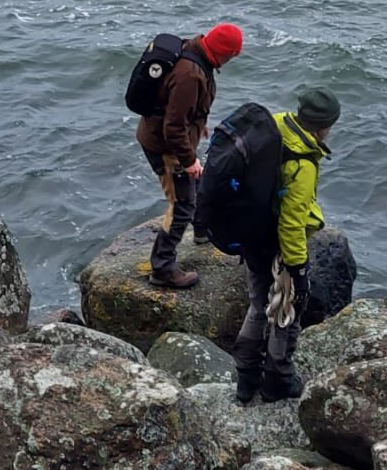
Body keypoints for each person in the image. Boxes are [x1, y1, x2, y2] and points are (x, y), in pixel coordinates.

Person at [234, 87, 341, 403]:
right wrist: (297, 267)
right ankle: (278, 381)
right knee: (286, 310)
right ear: (324, 126)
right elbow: (292, 223)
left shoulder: (276, 125)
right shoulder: (302, 162)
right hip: (276, 245)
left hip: (251, 235)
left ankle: (245, 380)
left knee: (257, 305)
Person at [137, 23, 243, 289]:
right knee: (181, 204)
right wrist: (188, 160)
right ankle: (162, 268)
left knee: (195, 186)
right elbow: (172, 127)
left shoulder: (194, 49)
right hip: (166, 147)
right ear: (224, 53)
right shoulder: (191, 75)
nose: (231, 61)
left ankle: (201, 229)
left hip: (167, 136)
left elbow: (179, 108)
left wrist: (197, 124)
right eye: (232, 56)